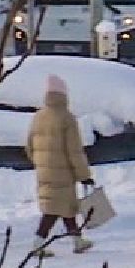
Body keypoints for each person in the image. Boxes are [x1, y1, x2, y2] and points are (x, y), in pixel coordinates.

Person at [26, 75, 95, 256]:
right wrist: (84, 175)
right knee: (54, 209)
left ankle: (77, 240)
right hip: (63, 171)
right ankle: (37, 244)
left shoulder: (39, 116)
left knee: (65, 206)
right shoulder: (67, 118)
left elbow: (29, 145)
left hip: (44, 171)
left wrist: (40, 163)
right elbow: (74, 151)